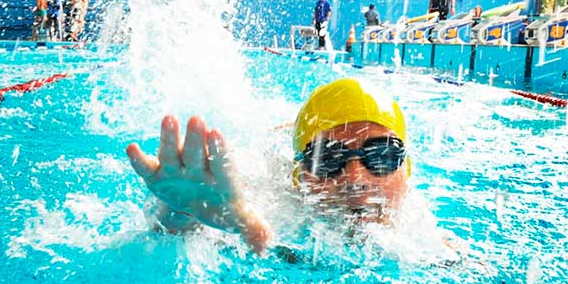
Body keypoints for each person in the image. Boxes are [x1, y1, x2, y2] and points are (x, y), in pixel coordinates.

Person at [126, 78, 414, 255]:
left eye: (382, 155)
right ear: (299, 177)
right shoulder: (269, 214)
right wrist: (180, 214)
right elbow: (171, 236)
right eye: (327, 159)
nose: (356, 178)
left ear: (407, 170)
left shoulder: (429, 246)